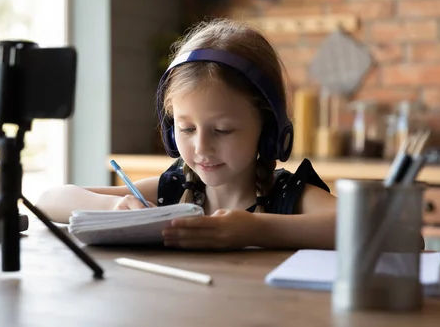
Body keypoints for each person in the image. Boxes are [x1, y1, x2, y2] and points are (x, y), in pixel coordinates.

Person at [36, 18, 337, 250]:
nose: (202, 148)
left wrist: (255, 229)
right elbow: (49, 199)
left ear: (269, 128)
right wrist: (115, 208)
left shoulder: (286, 196)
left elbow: (366, 225)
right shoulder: (172, 189)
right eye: (187, 129)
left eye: (222, 130)